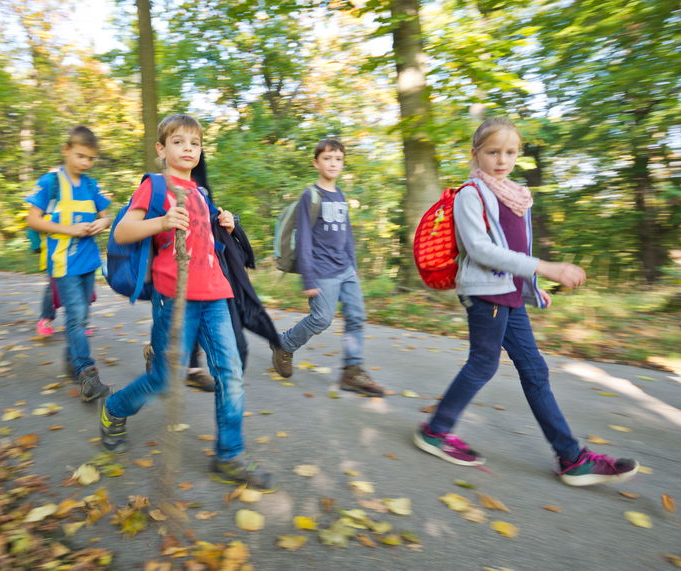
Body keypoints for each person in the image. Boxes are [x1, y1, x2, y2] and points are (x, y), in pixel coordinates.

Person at [413, 117, 639, 487]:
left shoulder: (514, 194)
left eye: (510, 152)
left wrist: (531, 286)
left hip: (508, 294)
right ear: (476, 154)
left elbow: (516, 250)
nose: (502, 160)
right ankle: (436, 431)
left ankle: (571, 458)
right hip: (485, 294)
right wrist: (547, 267)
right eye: (492, 152)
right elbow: (482, 251)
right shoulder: (472, 194)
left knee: (534, 371)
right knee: (483, 365)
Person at [99, 114, 272, 490]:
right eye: (178, 142)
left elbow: (204, 240)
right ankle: (114, 409)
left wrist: (224, 222)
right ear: (162, 149)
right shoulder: (155, 186)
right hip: (173, 297)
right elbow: (126, 231)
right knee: (165, 380)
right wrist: (161, 223)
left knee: (231, 373)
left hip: (215, 293)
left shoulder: (201, 193)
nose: (188, 149)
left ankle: (229, 455)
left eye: (194, 143)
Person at [270, 139, 384, 397]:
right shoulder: (310, 195)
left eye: (338, 159)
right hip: (321, 271)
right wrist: (308, 278)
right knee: (321, 318)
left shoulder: (341, 194)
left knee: (356, 316)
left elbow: (347, 235)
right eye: (327, 158)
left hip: (345, 269)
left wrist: (353, 266)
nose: (333, 163)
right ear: (316, 162)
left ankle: (352, 371)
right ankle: (283, 344)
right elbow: (304, 239)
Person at [25, 126, 112, 401]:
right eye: (80, 156)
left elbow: (107, 215)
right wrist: (69, 229)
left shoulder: (91, 183)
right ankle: (87, 374)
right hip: (63, 263)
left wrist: (102, 223)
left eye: (90, 158)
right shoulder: (50, 182)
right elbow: (33, 220)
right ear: (66, 150)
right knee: (75, 318)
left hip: (88, 262)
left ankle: (70, 361)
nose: (85, 163)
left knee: (81, 318)